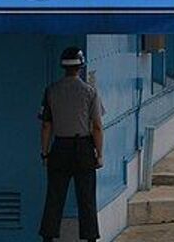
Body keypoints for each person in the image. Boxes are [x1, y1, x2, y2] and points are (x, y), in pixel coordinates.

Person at [38, 46, 104, 242]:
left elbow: (46, 126)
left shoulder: (51, 91)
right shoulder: (90, 92)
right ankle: (90, 238)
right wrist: (99, 154)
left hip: (60, 147)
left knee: (55, 196)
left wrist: (45, 153)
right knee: (86, 198)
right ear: (81, 67)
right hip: (83, 147)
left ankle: (48, 237)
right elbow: (97, 127)